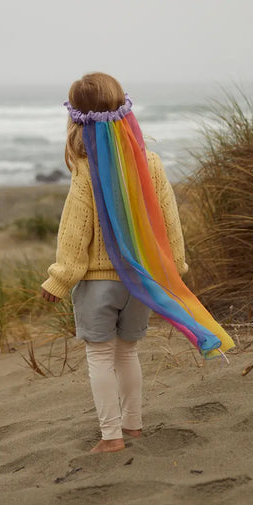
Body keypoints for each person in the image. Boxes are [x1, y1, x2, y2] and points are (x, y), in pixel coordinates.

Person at [41, 72, 190, 453]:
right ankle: (134, 426)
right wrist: (176, 268)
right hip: (141, 281)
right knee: (128, 352)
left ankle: (111, 436)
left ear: (75, 119)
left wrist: (59, 280)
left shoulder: (86, 169)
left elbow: (76, 232)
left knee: (100, 356)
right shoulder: (150, 164)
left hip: (98, 282)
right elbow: (168, 219)